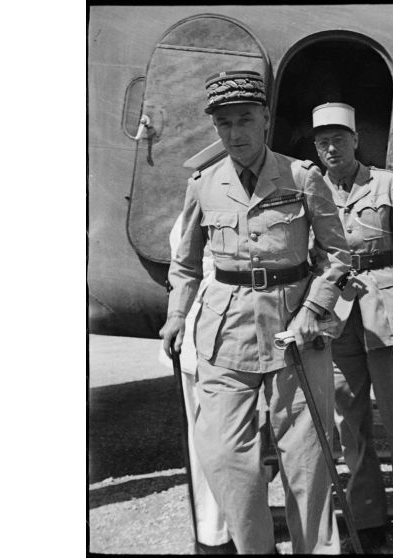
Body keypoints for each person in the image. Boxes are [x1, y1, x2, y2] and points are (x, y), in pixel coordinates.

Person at [160, 70, 351, 554]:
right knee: (223, 455)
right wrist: (177, 316)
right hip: (224, 331)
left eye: (245, 120)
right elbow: (183, 264)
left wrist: (314, 307)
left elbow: (336, 255)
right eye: (224, 124)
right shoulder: (203, 184)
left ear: (265, 118)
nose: (235, 133)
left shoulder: (301, 176)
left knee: (307, 460)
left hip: (294, 328)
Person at [311, 102, 393, 553]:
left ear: (355, 140)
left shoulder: (386, 182)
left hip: (388, 314)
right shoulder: (311, 188)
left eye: (338, 139)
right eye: (322, 141)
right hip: (338, 320)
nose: (331, 148)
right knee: (350, 423)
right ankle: (367, 522)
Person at [158, 214, 234, 555]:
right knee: (211, 444)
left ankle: (224, 532)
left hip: (232, 342)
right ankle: (215, 537)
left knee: (227, 445)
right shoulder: (200, 209)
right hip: (208, 341)